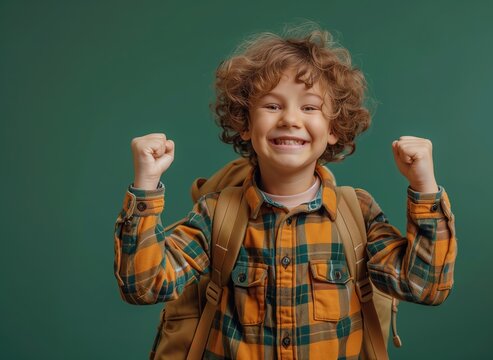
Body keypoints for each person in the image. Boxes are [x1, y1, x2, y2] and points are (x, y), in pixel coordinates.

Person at [113, 25, 457, 359]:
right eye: (272, 106)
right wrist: (145, 185)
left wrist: (424, 187)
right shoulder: (216, 213)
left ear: (334, 128)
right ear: (245, 125)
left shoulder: (358, 214)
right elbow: (144, 286)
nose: (290, 119)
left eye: (309, 107)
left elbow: (423, 287)